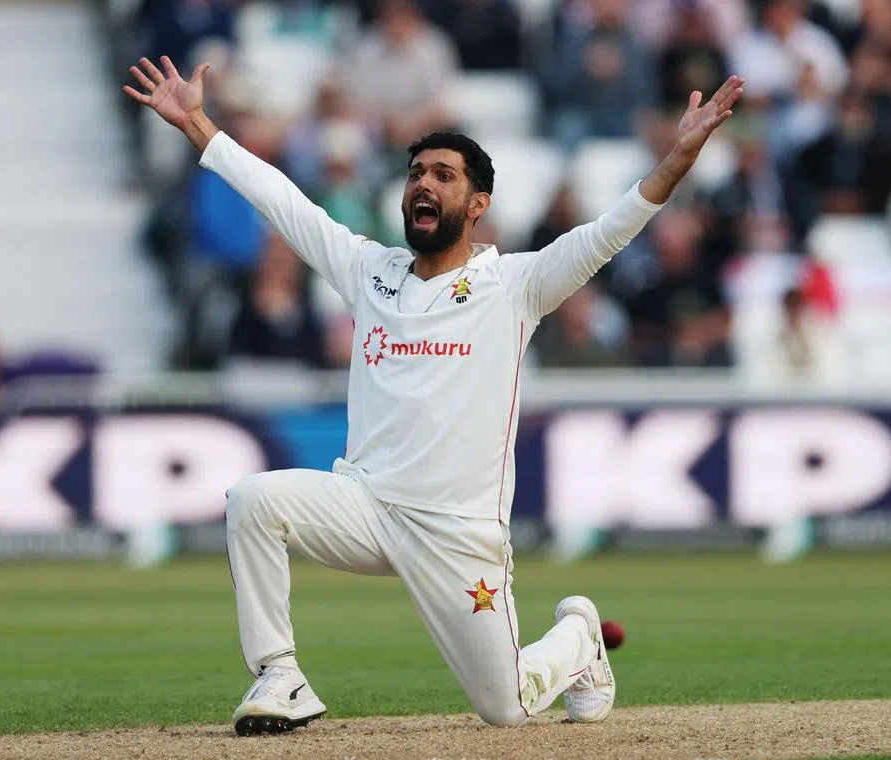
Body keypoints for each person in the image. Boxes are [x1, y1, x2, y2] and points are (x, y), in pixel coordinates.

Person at [124, 55, 743, 735]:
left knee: (504, 709)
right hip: (365, 504)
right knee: (253, 500)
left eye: (444, 176)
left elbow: (611, 231)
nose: (424, 184)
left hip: (458, 535)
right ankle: (281, 675)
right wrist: (198, 125)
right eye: (417, 173)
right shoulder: (370, 271)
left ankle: (577, 642)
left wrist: (679, 157)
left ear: (477, 205)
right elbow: (284, 201)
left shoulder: (516, 284)